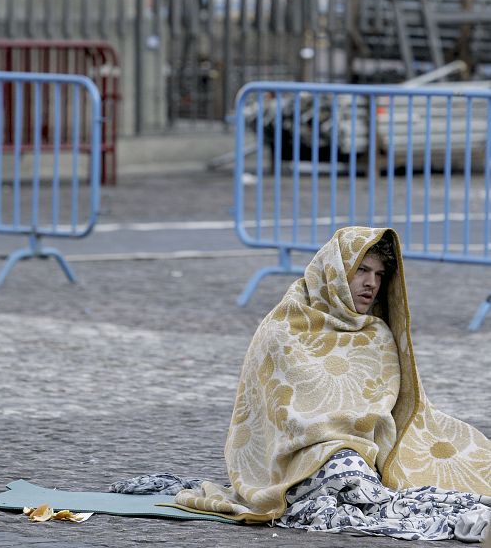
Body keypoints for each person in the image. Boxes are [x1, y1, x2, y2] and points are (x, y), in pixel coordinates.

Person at [112, 227, 491, 541]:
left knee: (435, 475)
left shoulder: (377, 333)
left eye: (378, 275)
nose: (370, 284)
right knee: (352, 485)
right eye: (362, 270)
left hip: (359, 455)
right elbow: (273, 415)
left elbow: (389, 410)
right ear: (336, 271)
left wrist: (354, 442)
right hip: (297, 459)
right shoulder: (284, 328)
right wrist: (329, 441)